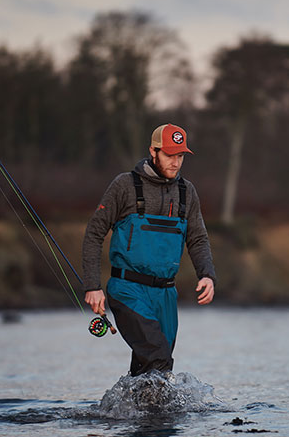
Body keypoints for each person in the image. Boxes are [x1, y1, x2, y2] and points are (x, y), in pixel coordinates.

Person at [82, 123, 216, 376]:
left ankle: (130, 413)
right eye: (169, 155)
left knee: (155, 370)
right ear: (153, 151)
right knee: (158, 357)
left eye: (180, 156)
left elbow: (198, 238)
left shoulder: (187, 192)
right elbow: (94, 234)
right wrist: (92, 286)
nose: (175, 162)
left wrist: (207, 274)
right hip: (127, 289)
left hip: (165, 294)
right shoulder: (124, 185)